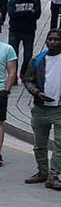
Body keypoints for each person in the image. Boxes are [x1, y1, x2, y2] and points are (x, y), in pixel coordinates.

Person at [25, 28, 61, 187]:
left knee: (59, 144)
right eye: (50, 39)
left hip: (59, 109)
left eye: (56, 39)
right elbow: (28, 79)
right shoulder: (38, 59)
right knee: (39, 143)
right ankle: (42, 171)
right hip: (40, 108)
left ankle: (54, 174)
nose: (53, 42)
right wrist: (37, 92)